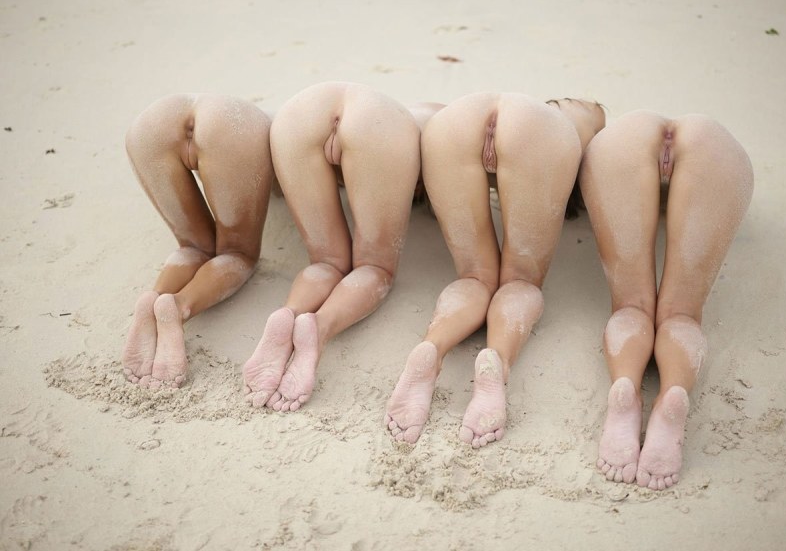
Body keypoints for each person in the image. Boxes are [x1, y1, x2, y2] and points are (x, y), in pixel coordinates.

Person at [384, 94, 606, 447]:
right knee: (520, 280)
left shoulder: (519, 105)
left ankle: (433, 348)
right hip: (537, 134)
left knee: (474, 275)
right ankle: (495, 359)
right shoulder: (576, 119)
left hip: (456, 119)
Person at [579, 110, 753, 489]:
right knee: (682, 313)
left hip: (621, 142)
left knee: (630, 305)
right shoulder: (711, 140)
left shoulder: (617, 131)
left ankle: (626, 389)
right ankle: (672, 395)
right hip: (715, 145)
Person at [242, 82, 441, 412]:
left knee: (325, 260)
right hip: (378, 124)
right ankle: (318, 328)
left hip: (301, 110)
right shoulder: (431, 116)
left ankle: (289, 312)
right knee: (374, 267)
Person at [122, 94, 272, 388]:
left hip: (151, 123)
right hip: (231, 126)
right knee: (237, 253)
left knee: (192, 246)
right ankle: (178, 306)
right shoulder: (287, 120)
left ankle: (154, 297)